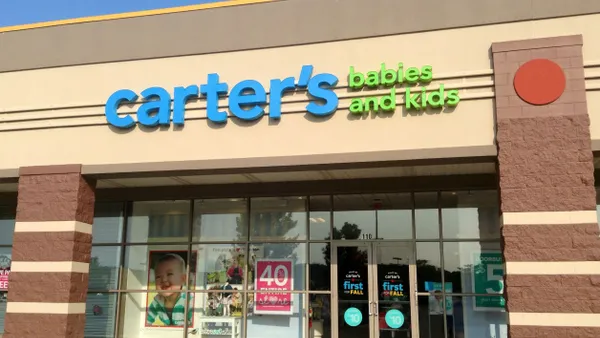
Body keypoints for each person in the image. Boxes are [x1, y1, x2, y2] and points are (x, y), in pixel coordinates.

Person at [146, 253, 193, 326]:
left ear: (183, 279)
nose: (164, 280)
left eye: (169, 274)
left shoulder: (189, 300)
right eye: (158, 277)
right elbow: (145, 321)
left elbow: (195, 326)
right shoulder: (157, 302)